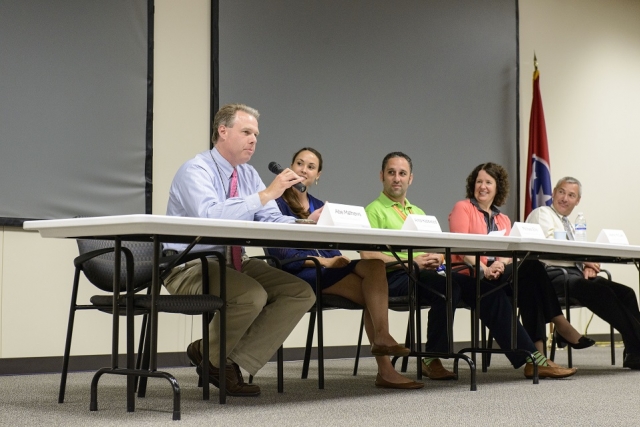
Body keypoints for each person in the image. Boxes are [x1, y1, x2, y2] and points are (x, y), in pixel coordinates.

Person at [361, 152, 576, 379]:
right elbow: (368, 256)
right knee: (447, 288)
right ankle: (431, 357)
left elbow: (438, 249)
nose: (397, 178)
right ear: (382, 176)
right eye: (391, 173)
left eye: (402, 173)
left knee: (487, 291)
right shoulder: (373, 210)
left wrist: (438, 258)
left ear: (410, 179)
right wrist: (411, 261)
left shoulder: (418, 212)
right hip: (394, 277)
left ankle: (531, 359)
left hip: (429, 273)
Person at [162, 104, 316, 396]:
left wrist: (306, 221)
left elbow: (270, 218)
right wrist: (268, 193)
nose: (254, 139)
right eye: (246, 132)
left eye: (256, 134)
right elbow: (208, 216)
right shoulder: (195, 170)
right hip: (189, 264)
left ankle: (221, 357)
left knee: (301, 293)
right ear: (223, 131)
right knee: (250, 295)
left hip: (234, 262)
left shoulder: (247, 174)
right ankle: (218, 360)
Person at [266, 147, 423, 389]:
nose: (303, 170)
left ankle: (382, 342)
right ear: (291, 167)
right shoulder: (276, 202)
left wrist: (337, 258)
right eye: (299, 163)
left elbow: (331, 246)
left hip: (327, 270)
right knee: (373, 296)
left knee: (372, 266)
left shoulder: (319, 204)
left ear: (317, 175)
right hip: (298, 273)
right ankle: (385, 367)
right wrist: (326, 261)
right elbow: (281, 253)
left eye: (310, 167)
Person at [449, 162, 595, 355]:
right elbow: (460, 247)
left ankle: (539, 355)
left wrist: (500, 264)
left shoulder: (503, 218)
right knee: (531, 271)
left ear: (497, 187)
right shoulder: (463, 208)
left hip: (497, 273)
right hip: (472, 273)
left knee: (530, 282)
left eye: (488, 182)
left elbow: (507, 253)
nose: (482, 186)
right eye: (479, 182)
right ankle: (559, 325)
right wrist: (484, 268)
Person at [526, 176, 640, 369]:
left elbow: (574, 249)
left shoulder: (569, 223)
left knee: (626, 293)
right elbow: (549, 246)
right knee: (600, 292)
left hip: (573, 273)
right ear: (553, 193)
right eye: (561, 192)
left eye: (571, 195)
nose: (564, 198)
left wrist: (585, 265)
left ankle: (634, 353)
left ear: (577, 201)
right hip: (549, 275)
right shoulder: (542, 213)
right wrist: (582, 259)